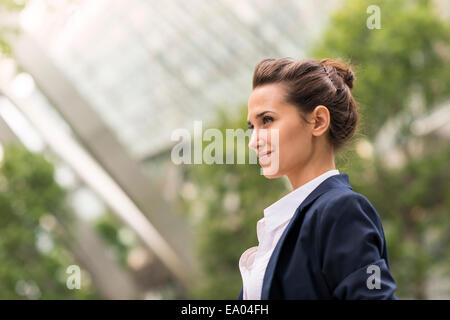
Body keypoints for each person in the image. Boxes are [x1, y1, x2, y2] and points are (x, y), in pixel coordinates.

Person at [238, 57, 397, 300]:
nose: (253, 141)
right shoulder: (284, 225)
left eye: (267, 120)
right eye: (252, 127)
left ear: (319, 121)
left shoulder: (341, 211)